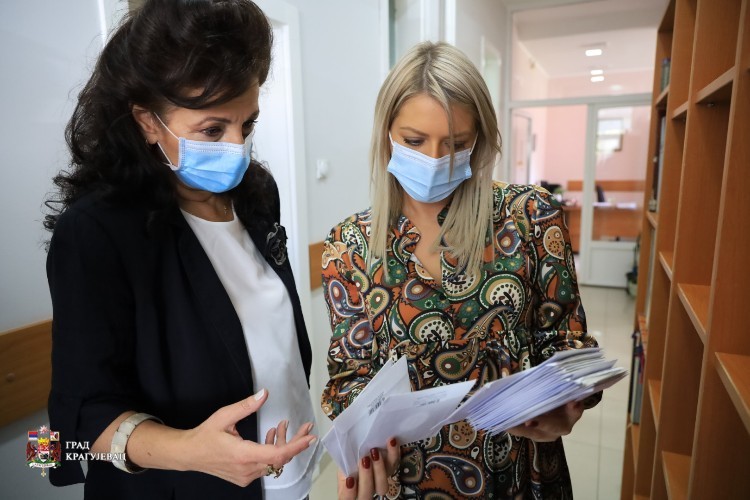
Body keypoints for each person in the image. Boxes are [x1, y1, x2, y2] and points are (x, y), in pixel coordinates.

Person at [44, 1, 319, 498]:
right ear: (148, 121)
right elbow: (75, 426)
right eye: (212, 130)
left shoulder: (257, 195)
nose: (236, 147)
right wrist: (190, 450)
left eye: (248, 125)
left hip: (286, 475)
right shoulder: (97, 233)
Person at [321, 41, 601, 499]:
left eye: (455, 144)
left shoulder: (530, 215)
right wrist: (364, 441)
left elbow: (569, 343)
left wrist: (568, 400)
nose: (434, 159)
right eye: (414, 141)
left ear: (479, 141)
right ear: (386, 134)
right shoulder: (349, 245)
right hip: (410, 479)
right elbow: (349, 376)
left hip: (519, 472)